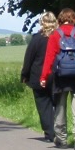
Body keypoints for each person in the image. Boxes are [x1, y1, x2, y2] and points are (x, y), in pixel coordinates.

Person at [39, 7, 75, 150]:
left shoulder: (55, 35)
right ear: (74, 19)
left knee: (60, 108)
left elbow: (49, 58)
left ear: (60, 20)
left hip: (60, 77)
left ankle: (61, 139)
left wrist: (44, 77)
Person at [20, 11, 58, 142]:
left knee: (43, 106)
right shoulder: (60, 38)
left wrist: (24, 75)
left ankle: (49, 134)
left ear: (42, 22)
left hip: (37, 76)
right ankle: (60, 132)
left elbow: (28, 59)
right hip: (57, 75)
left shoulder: (36, 39)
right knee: (58, 104)